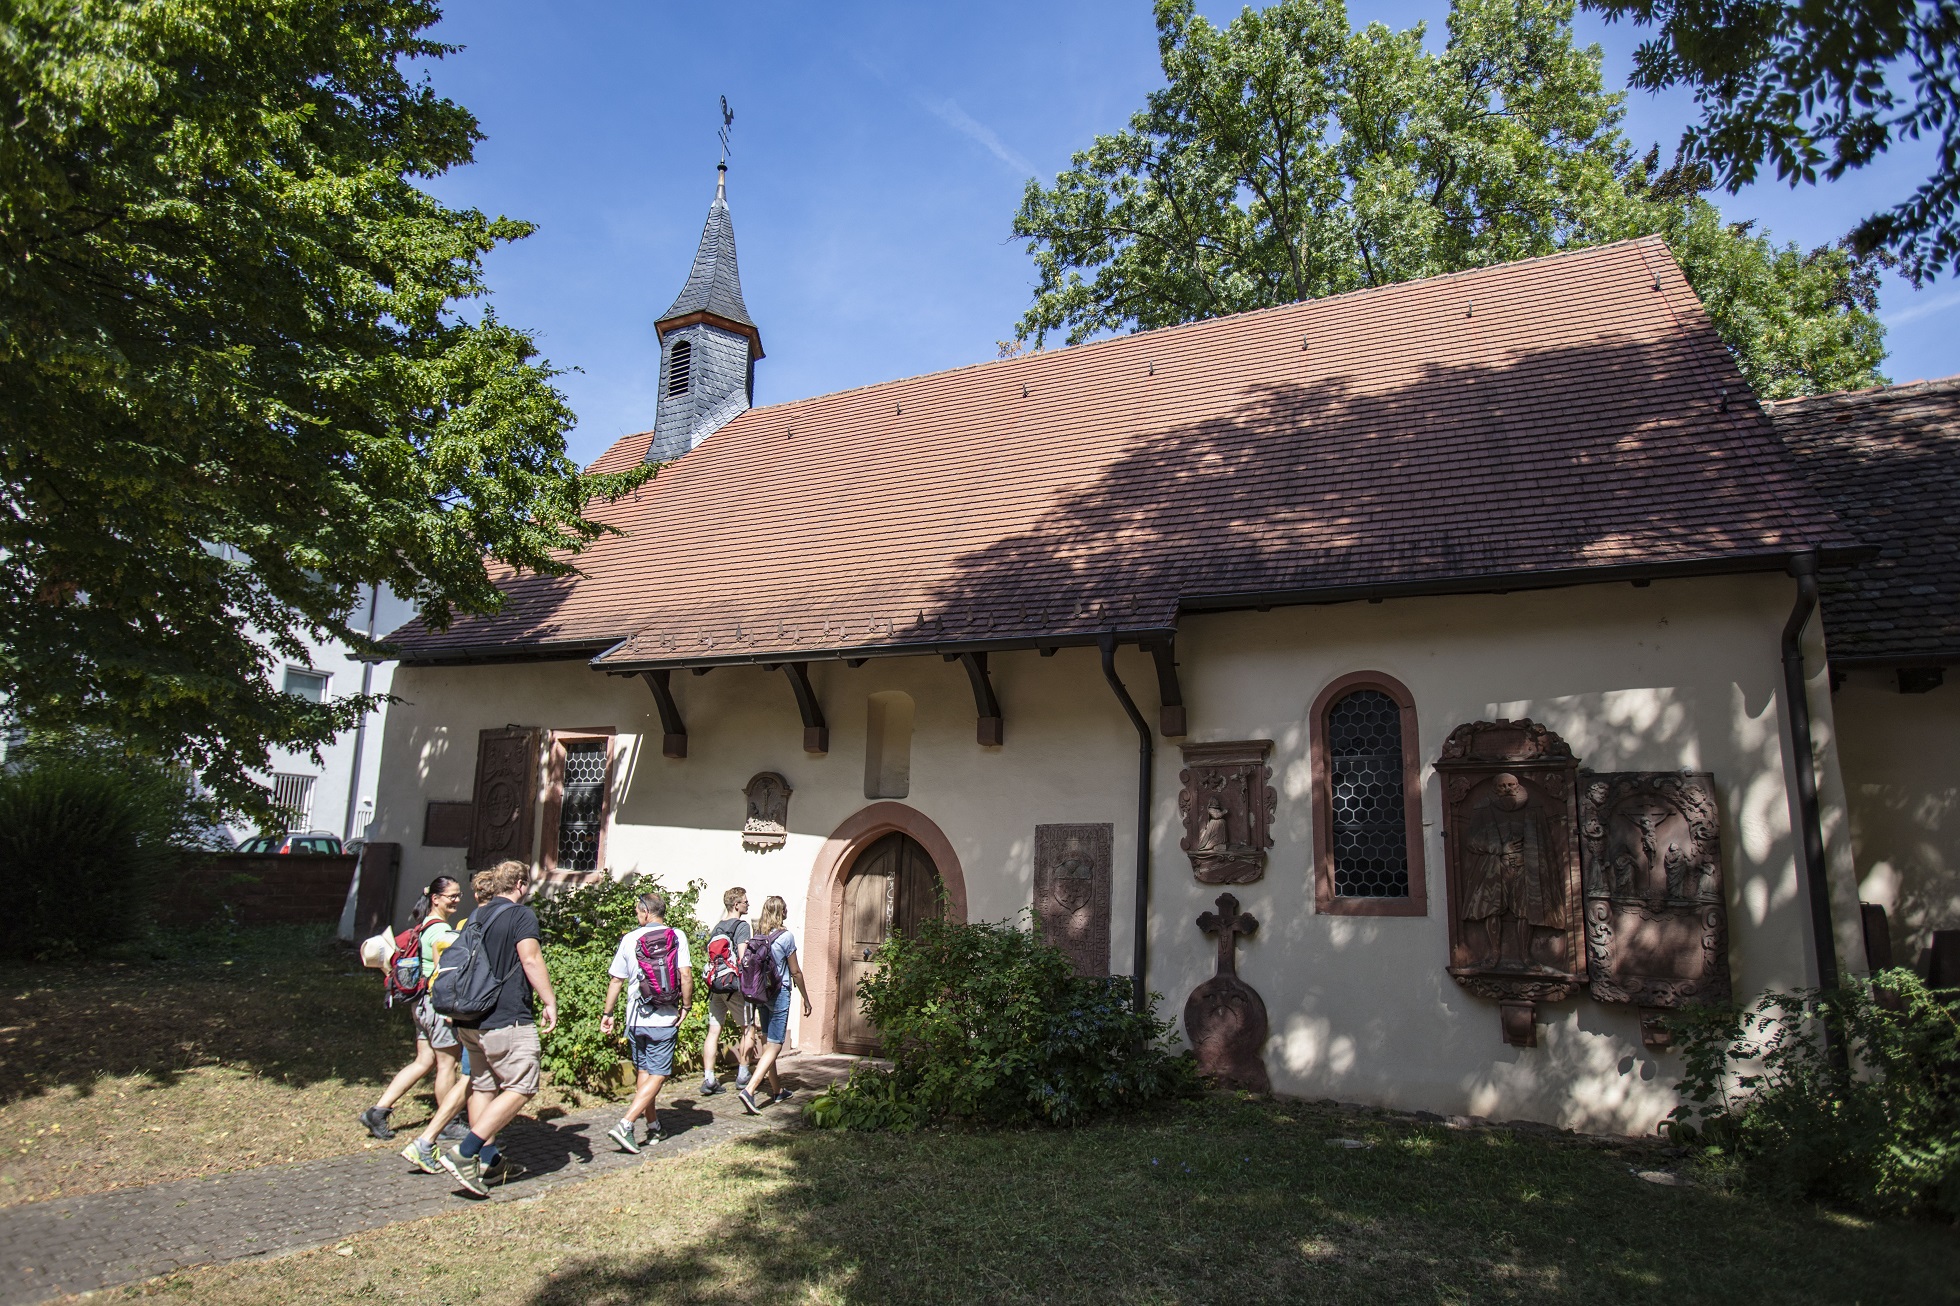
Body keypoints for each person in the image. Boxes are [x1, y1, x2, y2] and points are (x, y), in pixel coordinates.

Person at [440, 860, 558, 1197]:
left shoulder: (477, 914)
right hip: (505, 1017)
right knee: (522, 1085)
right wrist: (549, 1001)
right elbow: (530, 958)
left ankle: (488, 1161)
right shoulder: (521, 915)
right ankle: (465, 1153)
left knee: (483, 1087)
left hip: (470, 1018)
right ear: (520, 884)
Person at [358, 877, 468, 1144]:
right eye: (452, 896)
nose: (457, 900)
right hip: (436, 1005)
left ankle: (377, 1111)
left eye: (458, 895)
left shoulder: (424, 925)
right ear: (436, 899)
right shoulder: (440, 931)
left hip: (419, 1004)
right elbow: (446, 969)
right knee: (447, 1064)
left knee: (424, 1061)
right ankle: (448, 1122)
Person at [599, 890, 694, 1152]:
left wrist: (608, 1014)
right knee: (659, 1074)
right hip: (664, 1017)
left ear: (646, 912)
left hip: (635, 1018)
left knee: (644, 1072)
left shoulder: (629, 939)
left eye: (637, 912)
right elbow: (685, 975)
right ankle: (626, 1124)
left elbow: (616, 980)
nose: (636, 916)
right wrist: (686, 1006)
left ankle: (653, 1127)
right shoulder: (677, 935)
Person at [738, 895, 811, 1115]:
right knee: (776, 1043)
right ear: (782, 912)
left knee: (768, 1041)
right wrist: (806, 998)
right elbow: (795, 971)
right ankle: (750, 1090)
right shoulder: (785, 937)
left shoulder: (758, 935)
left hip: (761, 993)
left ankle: (777, 1090)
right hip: (779, 992)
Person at [700, 886, 756, 1097]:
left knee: (713, 1031)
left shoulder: (717, 927)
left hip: (716, 985)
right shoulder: (741, 926)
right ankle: (743, 1074)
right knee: (748, 1028)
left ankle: (709, 1079)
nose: (748, 904)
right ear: (736, 904)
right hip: (734, 986)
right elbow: (743, 958)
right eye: (745, 901)